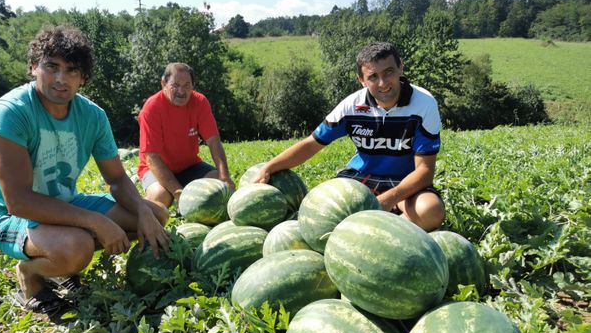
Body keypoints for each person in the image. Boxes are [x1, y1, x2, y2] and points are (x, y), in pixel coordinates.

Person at [0, 25, 170, 315]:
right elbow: (18, 201)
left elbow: (117, 178)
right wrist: (95, 222)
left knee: (156, 215)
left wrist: (143, 211)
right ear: (33, 67)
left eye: (72, 71)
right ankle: (31, 275)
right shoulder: (11, 112)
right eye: (51, 67)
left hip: (63, 204)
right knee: (76, 247)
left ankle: (59, 259)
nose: (60, 79)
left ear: (83, 78)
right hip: (7, 214)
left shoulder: (92, 116)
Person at [255, 42, 445, 231]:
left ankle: (376, 233)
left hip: (405, 182)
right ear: (361, 80)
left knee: (431, 211)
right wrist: (270, 167)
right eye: (373, 76)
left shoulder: (424, 103)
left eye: (388, 72)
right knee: (323, 215)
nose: (383, 83)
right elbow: (312, 144)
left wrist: (389, 199)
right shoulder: (352, 106)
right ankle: (375, 227)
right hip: (361, 179)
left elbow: (424, 171)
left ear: (400, 67)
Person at [137, 62, 234, 209]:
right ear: (164, 83)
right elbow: (152, 158)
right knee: (160, 197)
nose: (181, 91)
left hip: (190, 166)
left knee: (218, 186)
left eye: (187, 85)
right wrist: (178, 192)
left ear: (193, 86)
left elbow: (214, 141)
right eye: (175, 85)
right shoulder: (151, 108)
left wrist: (224, 176)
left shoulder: (200, 102)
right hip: (156, 169)